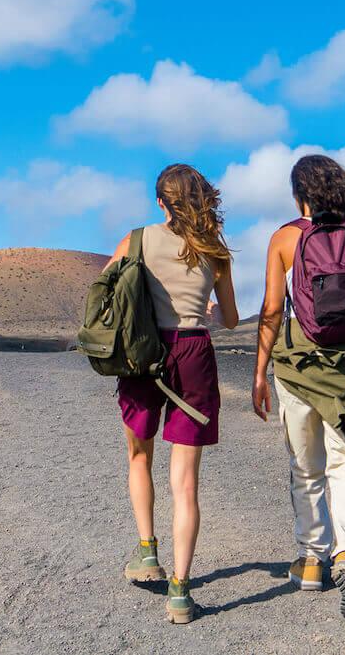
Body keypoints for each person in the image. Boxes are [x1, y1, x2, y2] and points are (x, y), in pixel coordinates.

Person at [252, 154, 345, 623]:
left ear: (299, 195)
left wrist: (259, 371)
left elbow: (272, 311)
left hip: (297, 367)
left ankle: (312, 560)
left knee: (306, 465)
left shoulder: (285, 239)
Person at [108, 163, 239, 624]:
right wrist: (204, 303)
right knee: (186, 484)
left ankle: (148, 554)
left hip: (144, 352)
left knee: (138, 457)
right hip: (194, 352)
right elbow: (230, 320)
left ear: (160, 202)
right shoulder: (215, 248)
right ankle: (180, 593)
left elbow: (105, 292)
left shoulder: (137, 239)